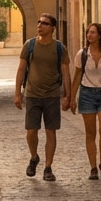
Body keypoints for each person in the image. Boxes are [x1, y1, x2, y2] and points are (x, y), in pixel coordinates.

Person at [13, 12, 70, 181]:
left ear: (52, 28)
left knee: (51, 132)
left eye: (44, 23)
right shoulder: (29, 45)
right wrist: (17, 93)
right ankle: (34, 157)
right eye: (39, 22)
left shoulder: (59, 48)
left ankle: (48, 167)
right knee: (31, 131)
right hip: (32, 94)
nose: (40, 25)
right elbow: (21, 69)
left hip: (52, 95)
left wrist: (68, 96)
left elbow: (66, 73)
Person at [65, 22, 101, 179]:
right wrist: (72, 98)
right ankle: (93, 167)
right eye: (88, 33)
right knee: (90, 133)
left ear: (100, 35)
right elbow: (77, 77)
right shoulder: (82, 54)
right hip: (87, 94)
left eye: (92, 32)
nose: (88, 35)